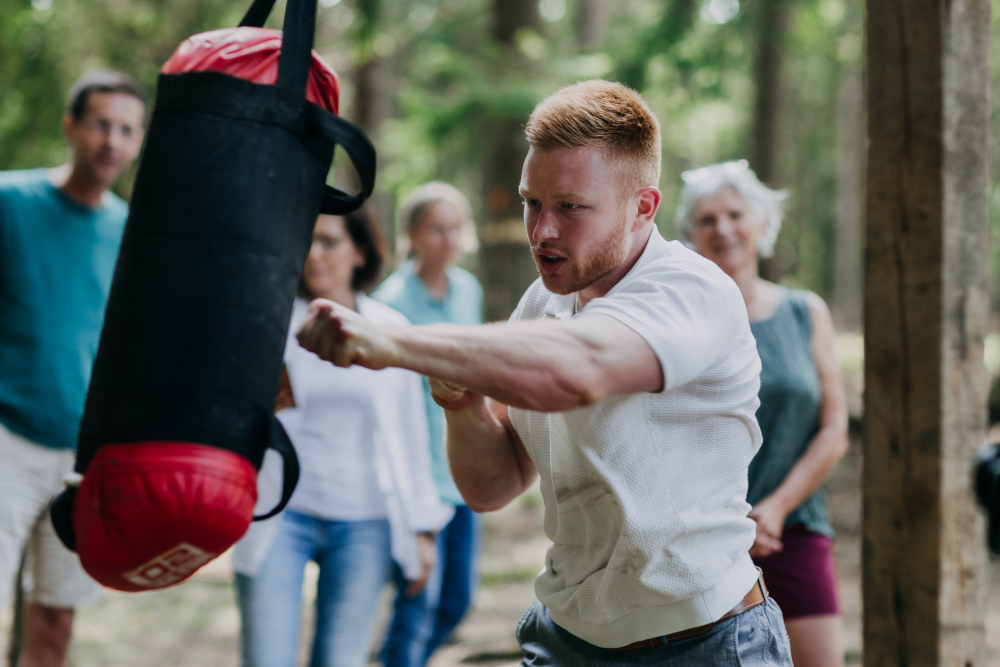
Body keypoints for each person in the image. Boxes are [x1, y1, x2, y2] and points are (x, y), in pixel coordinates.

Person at [296, 80, 793, 666]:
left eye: (570, 207)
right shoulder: (541, 302)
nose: (542, 231)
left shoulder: (691, 289)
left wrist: (399, 341)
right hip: (565, 637)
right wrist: (463, 407)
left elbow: (578, 369)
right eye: (533, 202)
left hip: (702, 641)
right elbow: (493, 487)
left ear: (643, 207)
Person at [231, 208, 453, 667]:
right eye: (305, 241)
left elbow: (411, 434)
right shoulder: (267, 325)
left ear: (359, 252)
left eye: (329, 241)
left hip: (364, 522)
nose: (314, 255)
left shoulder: (389, 329)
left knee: (340, 659)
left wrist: (422, 527)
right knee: (265, 658)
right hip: (280, 513)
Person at [0, 70, 146, 667]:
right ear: (71, 128)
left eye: (126, 130)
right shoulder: (10, 203)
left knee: (58, 617)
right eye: (100, 125)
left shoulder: (133, 233)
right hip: (7, 438)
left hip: (85, 459)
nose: (111, 141)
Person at [678, 160, 849, 667]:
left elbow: (834, 430)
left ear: (762, 224)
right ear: (690, 236)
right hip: (703, 544)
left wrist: (773, 508)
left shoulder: (805, 311)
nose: (723, 228)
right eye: (707, 219)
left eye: (735, 213)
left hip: (791, 530)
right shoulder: (680, 324)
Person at [372, 182, 484, 667]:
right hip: (417, 475)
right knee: (418, 598)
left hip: (464, 471)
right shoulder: (389, 303)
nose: (448, 238)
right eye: (436, 228)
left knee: (455, 602)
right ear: (412, 235)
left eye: (455, 227)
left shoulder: (469, 290)